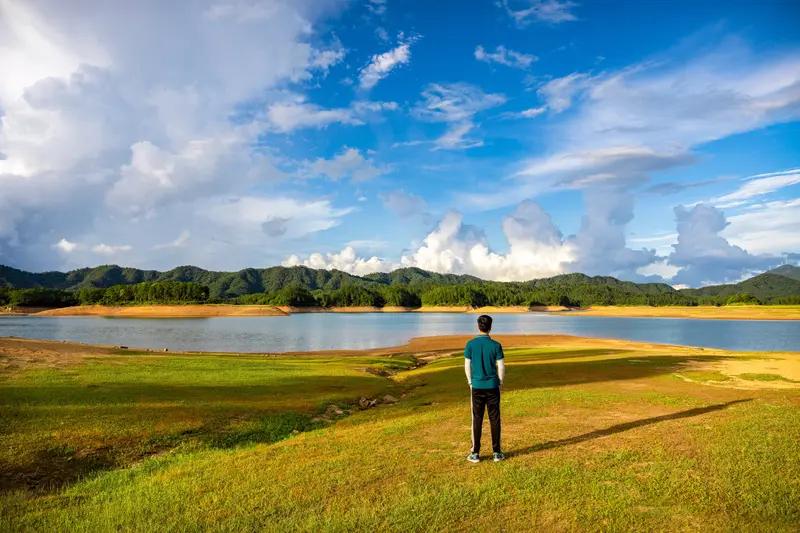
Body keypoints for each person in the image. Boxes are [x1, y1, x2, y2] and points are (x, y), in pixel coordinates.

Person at [464, 314, 505, 463]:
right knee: (495, 419)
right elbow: (501, 366)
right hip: (492, 386)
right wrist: (500, 382)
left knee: (477, 419)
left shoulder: (470, 344)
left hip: (477, 387)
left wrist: (470, 382)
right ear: (490, 327)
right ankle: (497, 452)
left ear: (478, 326)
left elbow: (467, 366)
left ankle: (475, 453)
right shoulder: (496, 345)